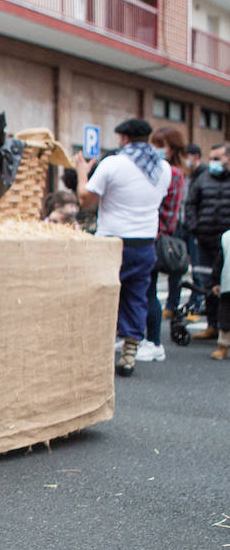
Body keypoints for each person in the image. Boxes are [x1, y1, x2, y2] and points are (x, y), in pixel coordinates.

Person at [74, 117, 171, 377]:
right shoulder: (163, 168)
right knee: (136, 296)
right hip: (145, 243)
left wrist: (82, 170)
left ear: (124, 138)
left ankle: (98, 350)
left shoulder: (113, 164)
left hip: (112, 242)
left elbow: (86, 200)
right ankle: (130, 350)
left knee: (103, 295)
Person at [137, 124, 186, 364]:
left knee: (149, 290)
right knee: (143, 289)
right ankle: (140, 339)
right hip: (151, 234)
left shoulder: (172, 173)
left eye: (160, 145)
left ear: (172, 148)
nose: (155, 149)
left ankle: (154, 342)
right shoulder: (166, 170)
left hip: (155, 237)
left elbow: (168, 212)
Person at [186, 141, 230, 343]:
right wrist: (196, 228)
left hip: (227, 243)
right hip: (206, 238)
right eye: (211, 158)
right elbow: (191, 205)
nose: (214, 162)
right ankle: (212, 325)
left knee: (226, 286)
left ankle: (224, 329)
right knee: (208, 283)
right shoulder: (202, 179)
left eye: (218, 158)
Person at [166, 141, 204, 317]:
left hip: (194, 229)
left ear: (194, 157)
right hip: (178, 226)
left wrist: (196, 225)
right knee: (175, 267)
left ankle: (195, 306)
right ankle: (171, 304)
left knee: (197, 269)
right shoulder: (180, 175)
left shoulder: (203, 176)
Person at [209, 227, 230, 361]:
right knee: (225, 316)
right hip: (228, 283)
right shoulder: (227, 237)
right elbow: (219, 261)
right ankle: (223, 345)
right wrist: (216, 281)